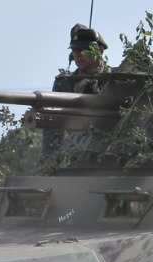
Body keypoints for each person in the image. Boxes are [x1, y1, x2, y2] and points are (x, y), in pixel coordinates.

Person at [40, 24, 108, 165]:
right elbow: (53, 123)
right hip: (77, 153)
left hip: (111, 149)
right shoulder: (64, 83)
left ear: (99, 51)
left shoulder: (115, 79)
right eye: (74, 49)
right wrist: (50, 159)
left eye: (83, 49)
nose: (77, 53)